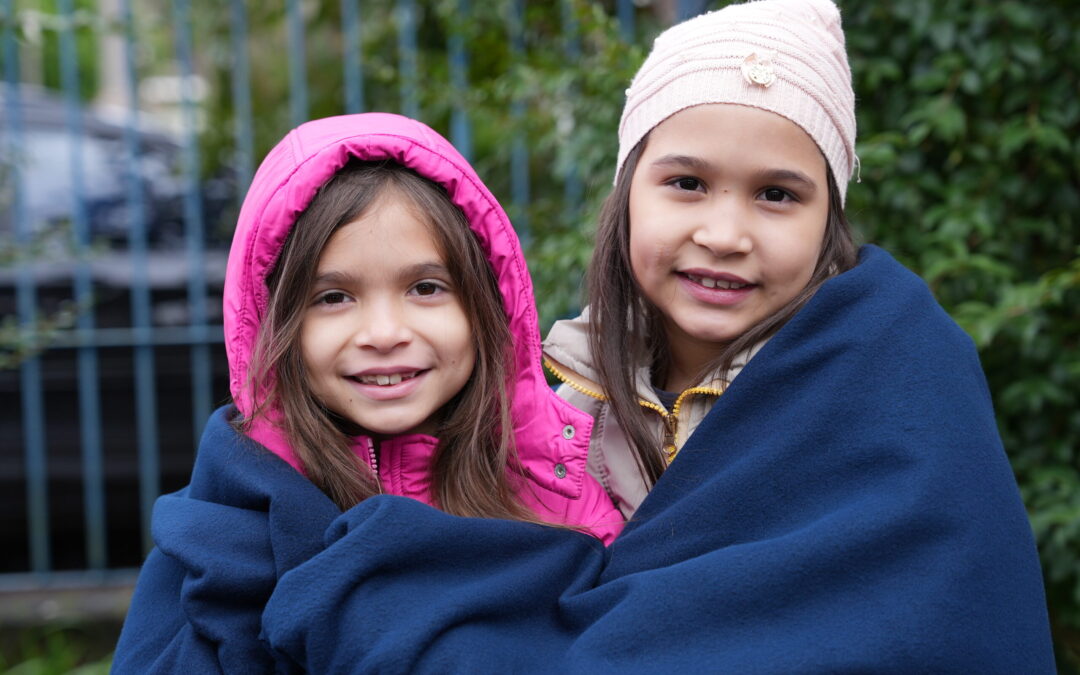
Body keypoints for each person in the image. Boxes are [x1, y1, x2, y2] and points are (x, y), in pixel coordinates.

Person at [258, 1, 1057, 672]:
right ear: (626, 194)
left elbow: (943, 607)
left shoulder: (896, 383)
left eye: (777, 195)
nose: (724, 232)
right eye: (686, 183)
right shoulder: (552, 412)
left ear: (829, 221)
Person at [111, 112, 623, 673]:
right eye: (333, 297)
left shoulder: (562, 494)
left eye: (426, 288)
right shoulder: (222, 527)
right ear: (270, 324)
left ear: (487, 304)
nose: (384, 334)